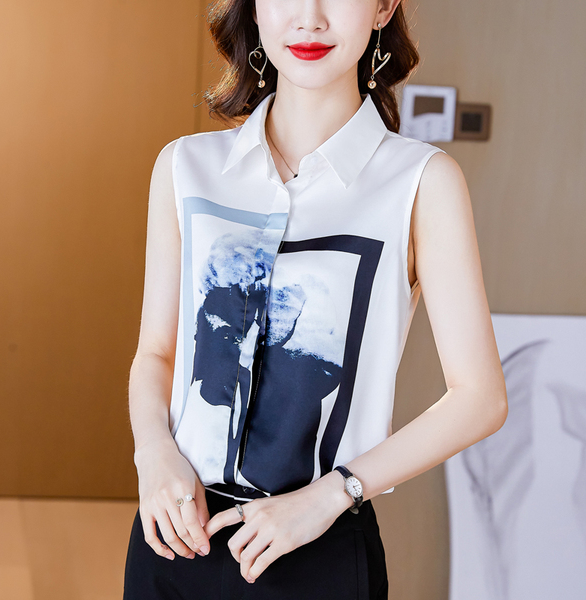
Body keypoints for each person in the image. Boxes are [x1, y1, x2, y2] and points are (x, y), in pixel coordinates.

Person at [122, 0, 508, 598]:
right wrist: (152, 453)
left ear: (384, 7)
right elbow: (156, 353)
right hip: (175, 538)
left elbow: (480, 398)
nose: (310, 17)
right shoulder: (184, 167)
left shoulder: (421, 182)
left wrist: (334, 493)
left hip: (319, 550)